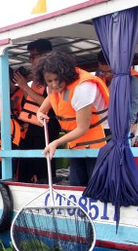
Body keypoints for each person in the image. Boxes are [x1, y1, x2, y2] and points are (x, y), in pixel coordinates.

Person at [36, 51, 109, 187]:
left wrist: (55, 143)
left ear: (65, 74)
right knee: (76, 184)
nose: (54, 85)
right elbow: (50, 98)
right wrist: (40, 112)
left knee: (97, 185)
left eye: (57, 79)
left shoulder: (83, 87)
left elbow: (83, 127)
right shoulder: (52, 87)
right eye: (49, 81)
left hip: (100, 140)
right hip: (76, 141)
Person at [14, 39, 60, 183]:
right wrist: (25, 85)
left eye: (34, 56)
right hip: (32, 129)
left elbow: (50, 103)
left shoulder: (54, 76)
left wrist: (25, 87)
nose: (31, 60)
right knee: (26, 168)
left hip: (47, 129)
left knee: (43, 170)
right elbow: (31, 100)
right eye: (30, 57)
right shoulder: (37, 78)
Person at [96, 50, 138, 143]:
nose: (106, 75)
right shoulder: (99, 76)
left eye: (110, 71)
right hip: (104, 125)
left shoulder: (132, 80)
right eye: (102, 71)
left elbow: (133, 108)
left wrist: (128, 129)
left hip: (126, 124)